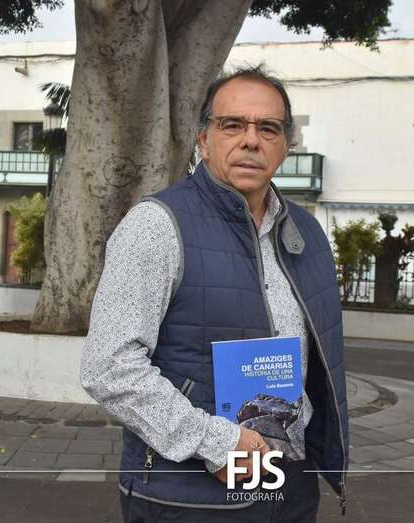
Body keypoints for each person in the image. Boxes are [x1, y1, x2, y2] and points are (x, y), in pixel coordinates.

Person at [81, 66, 348, 522]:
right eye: (232, 125)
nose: (251, 140)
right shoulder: (156, 226)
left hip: (290, 480)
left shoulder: (306, 232)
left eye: (268, 128)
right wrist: (218, 443)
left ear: (286, 146)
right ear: (203, 140)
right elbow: (109, 367)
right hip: (189, 493)